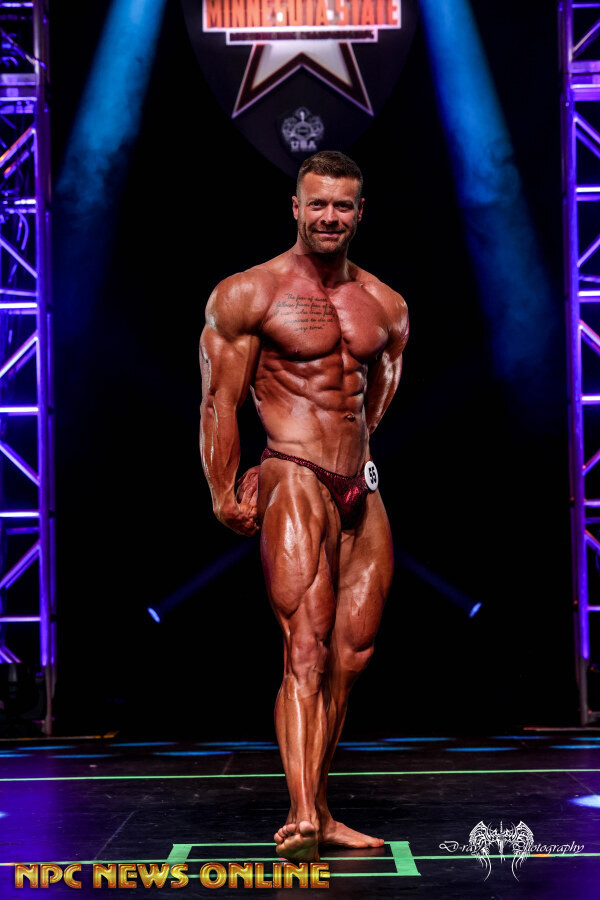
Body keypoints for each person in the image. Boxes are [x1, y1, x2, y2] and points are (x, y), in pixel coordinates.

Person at [199, 150, 408, 862]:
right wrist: (224, 490)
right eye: (317, 203)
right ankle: (298, 818)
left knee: (352, 655)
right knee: (306, 650)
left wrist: (358, 451)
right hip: (293, 474)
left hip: (360, 485)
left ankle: (321, 807)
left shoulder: (385, 304)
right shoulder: (249, 293)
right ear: (295, 207)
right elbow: (219, 401)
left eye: (343, 205)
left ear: (360, 212)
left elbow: (377, 394)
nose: (329, 217)